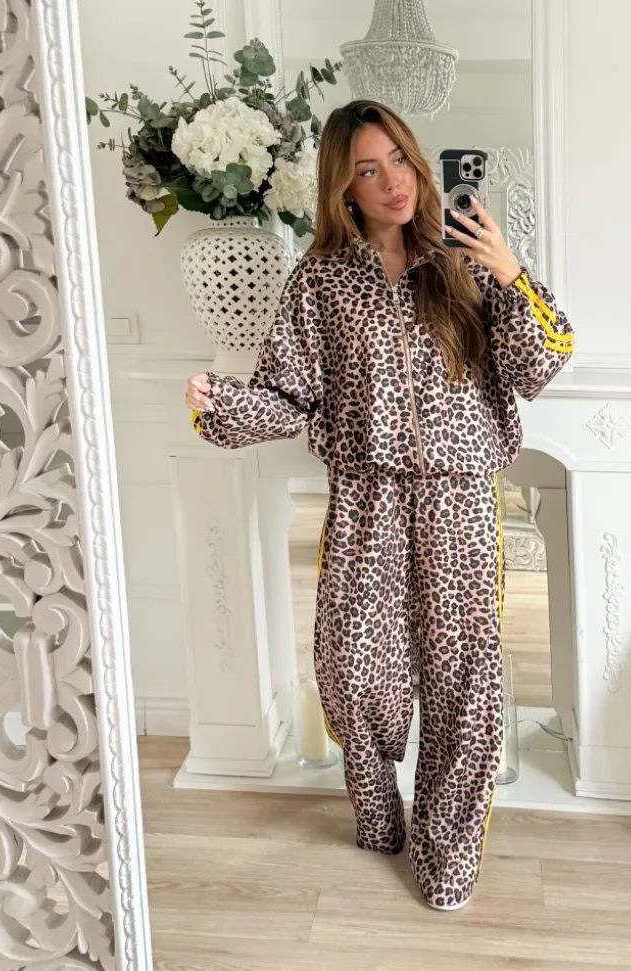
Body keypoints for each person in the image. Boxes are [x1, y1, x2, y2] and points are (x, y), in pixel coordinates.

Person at [184, 99, 574, 911]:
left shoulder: (465, 261)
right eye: (368, 169)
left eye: (399, 158)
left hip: (459, 494)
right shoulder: (320, 281)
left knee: (463, 675)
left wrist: (508, 270)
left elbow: (542, 364)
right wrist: (218, 404)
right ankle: (377, 806)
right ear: (344, 188)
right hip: (365, 494)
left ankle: (447, 845)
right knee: (353, 667)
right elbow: (288, 396)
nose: (393, 180)